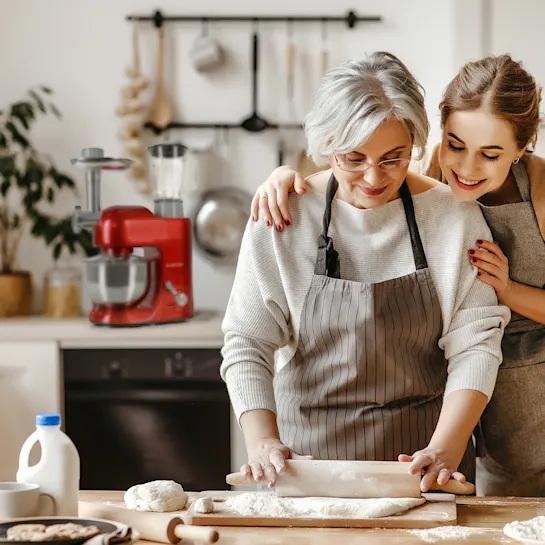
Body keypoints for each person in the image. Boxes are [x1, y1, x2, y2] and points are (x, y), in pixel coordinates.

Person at [251, 54, 545, 496]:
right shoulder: (418, 176)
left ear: (523, 149)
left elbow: (476, 340)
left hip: (511, 396)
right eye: (456, 145)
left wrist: (507, 290)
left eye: (491, 154)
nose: (465, 168)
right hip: (421, 400)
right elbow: (360, 163)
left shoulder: (514, 196)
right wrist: (282, 178)